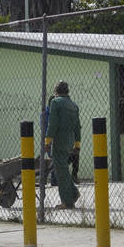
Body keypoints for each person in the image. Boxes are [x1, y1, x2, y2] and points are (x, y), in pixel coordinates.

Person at [44, 80, 81, 208]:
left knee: (60, 172)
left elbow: (52, 123)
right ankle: (73, 193)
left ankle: (67, 201)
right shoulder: (73, 105)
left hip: (59, 141)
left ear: (56, 91)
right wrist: (77, 145)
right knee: (63, 169)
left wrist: (47, 141)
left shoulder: (55, 102)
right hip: (69, 141)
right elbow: (77, 127)